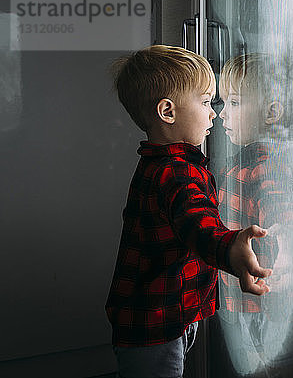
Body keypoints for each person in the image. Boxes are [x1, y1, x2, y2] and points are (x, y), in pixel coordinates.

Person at [104, 45, 273, 378]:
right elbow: (198, 224)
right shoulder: (176, 172)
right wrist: (230, 248)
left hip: (161, 315)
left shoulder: (162, 162)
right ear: (168, 111)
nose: (214, 113)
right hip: (155, 324)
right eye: (206, 102)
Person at [214, 53, 293, 377]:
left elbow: (282, 209)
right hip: (244, 301)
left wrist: (289, 246)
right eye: (222, 102)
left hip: (261, 305)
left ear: (271, 112)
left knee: (264, 368)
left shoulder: (264, 163)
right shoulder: (239, 161)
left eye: (235, 103)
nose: (222, 114)